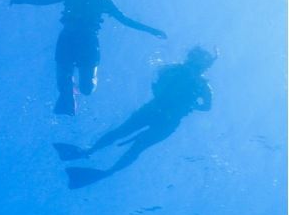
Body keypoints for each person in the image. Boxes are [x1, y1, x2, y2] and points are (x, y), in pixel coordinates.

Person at [9, 0, 167, 115]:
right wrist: (23, 0)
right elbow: (46, 0)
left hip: (88, 41)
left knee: (87, 89)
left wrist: (151, 30)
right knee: (63, 84)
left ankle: (73, 87)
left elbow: (124, 19)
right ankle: (68, 89)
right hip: (67, 38)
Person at [53, 46, 216, 188]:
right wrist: (189, 105)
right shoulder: (200, 84)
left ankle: (92, 155)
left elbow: (157, 83)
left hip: (156, 113)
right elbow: (205, 106)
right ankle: (98, 161)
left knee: (129, 138)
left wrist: (181, 102)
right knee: (132, 141)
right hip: (165, 118)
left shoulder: (180, 73)